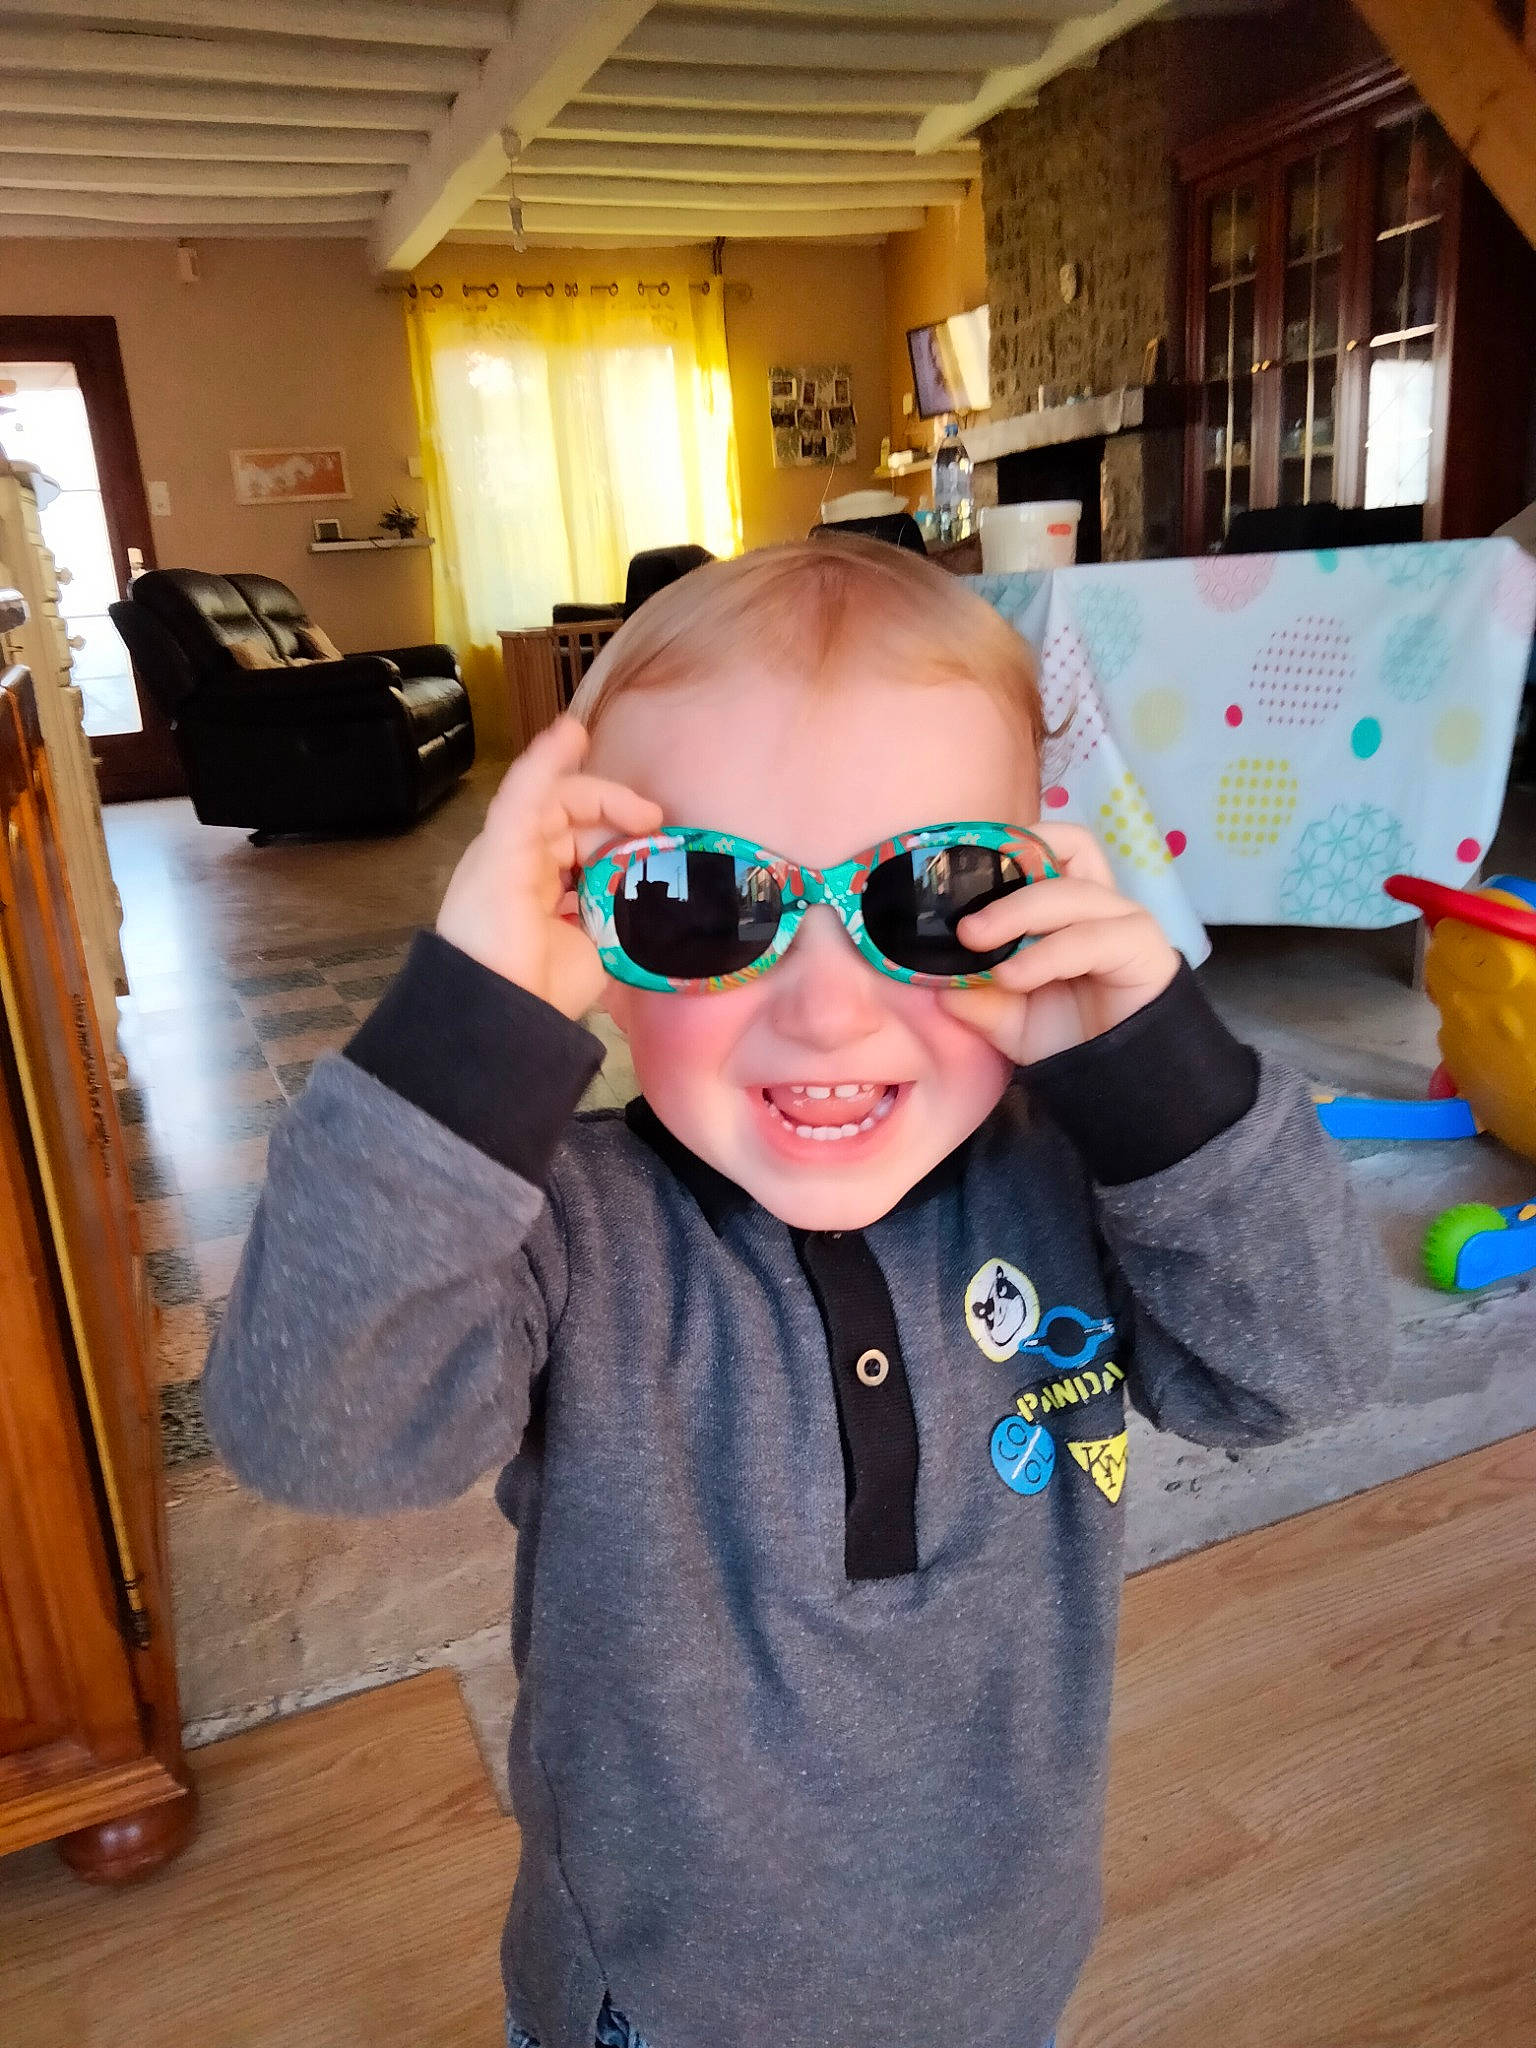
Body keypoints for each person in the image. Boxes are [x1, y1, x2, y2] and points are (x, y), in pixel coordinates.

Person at [203, 537, 1390, 2048]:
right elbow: (320, 1432)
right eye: (704, 904)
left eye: (930, 895)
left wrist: (1159, 1073)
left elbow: (1305, 1370)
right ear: (591, 934)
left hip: (1001, 1968)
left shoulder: (1089, 1184)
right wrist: (462, 1030)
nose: (828, 1010)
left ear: (1037, 897)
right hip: (655, 1993)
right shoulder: (559, 1230)